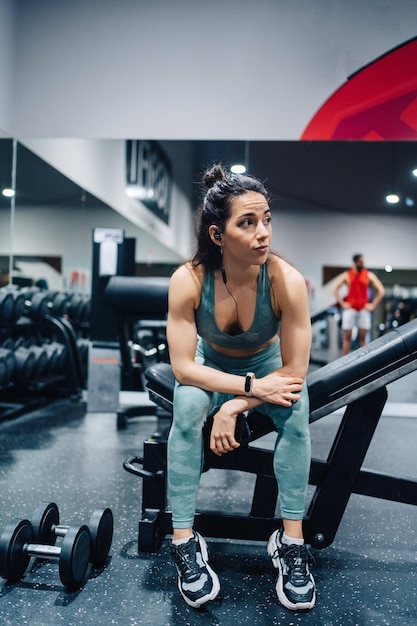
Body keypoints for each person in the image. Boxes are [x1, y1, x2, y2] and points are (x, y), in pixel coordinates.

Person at [166, 163, 316, 611]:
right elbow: (183, 369)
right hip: (209, 367)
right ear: (217, 235)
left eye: (267, 219)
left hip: (268, 369)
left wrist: (234, 408)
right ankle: (183, 540)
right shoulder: (188, 280)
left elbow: (292, 373)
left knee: (295, 408)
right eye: (247, 223)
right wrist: (242, 390)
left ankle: (291, 542)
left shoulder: (286, 281)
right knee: (189, 405)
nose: (263, 233)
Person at [332, 254, 385, 355]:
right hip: (350, 308)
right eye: (361, 262)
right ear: (355, 262)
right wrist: (342, 303)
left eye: (363, 262)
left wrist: (373, 305)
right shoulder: (347, 275)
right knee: (347, 336)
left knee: (363, 337)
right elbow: (334, 289)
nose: (363, 264)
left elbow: (381, 290)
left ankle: (364, 360)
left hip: (363, 309)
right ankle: (344, 361)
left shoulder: (369, 275)